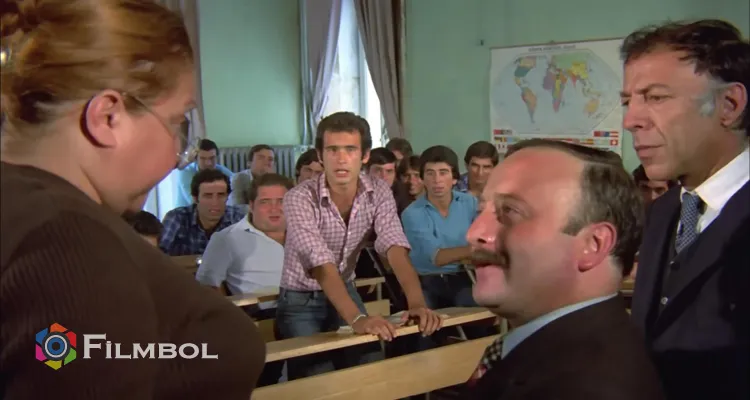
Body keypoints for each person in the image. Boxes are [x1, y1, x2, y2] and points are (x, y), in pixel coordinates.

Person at [0, 0, 264, 398]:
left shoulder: (25, 208)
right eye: (176, 122)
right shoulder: (66, 244)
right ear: (108, 117)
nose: (177, 153)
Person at [463, 139, 664, 399]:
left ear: (593, 244)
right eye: (481, 210)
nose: (474, 232)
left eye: (510, 211)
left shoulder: (588, 388)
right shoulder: (563, 352)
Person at [621, 19, 750, 400]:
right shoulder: (663, 211)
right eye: (627, 101)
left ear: (729, 105)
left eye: (656, 98)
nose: (631, 120)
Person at [278, 111, 442, 379]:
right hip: (301, 298)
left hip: (345, 286)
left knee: (370, 363)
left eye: (350, 150)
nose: (341, 159)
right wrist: (357, 319)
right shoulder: (298, 198)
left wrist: (416, 302)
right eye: (332, 150)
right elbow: (319, 262)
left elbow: (394, 244)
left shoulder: (378, 190)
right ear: (320, 155)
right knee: (319, 377)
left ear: (365, 155)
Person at [175, 138, 233, 207]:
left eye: (212, 158)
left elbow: (235, 181)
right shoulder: (186, 172)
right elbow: (194, 202)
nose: (208, 163)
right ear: (196, 159)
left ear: (217, 157)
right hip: (186, 212)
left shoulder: (220, 170)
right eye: (203, 158)